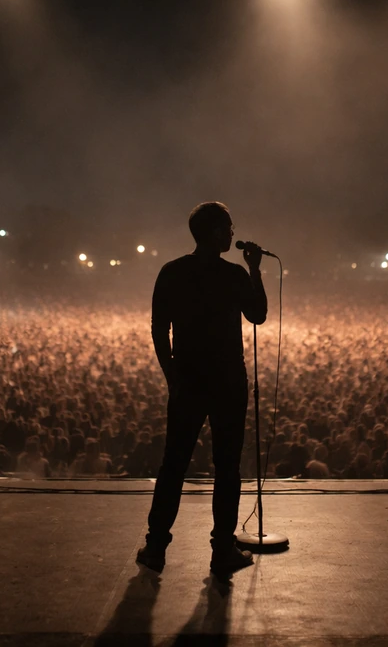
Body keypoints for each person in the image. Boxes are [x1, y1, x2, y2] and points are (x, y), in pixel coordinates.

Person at [136, 201, 268, 576]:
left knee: (173, 464)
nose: (232, 233)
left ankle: (156, 547)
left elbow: (159, 328)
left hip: (188, 381)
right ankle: (221, 550)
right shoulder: (233, 276)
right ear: (213, 232)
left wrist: (171, 375)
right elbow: (258, 314)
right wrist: (254, 271)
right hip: (227, 382)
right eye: (228, 227)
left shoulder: (172, 272)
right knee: (227, 467)